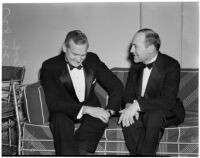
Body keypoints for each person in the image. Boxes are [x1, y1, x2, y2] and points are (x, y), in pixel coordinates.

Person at [40, 30, 123, 155]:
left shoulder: (92, 59)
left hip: (92, 110)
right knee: (59, 120)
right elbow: (54, 103)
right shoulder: (49, 66)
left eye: (83, 55)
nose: (79, 60)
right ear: (64, 48)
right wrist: (85, 109)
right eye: (74, 54)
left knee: (100, 118)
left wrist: (110, 110)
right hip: (64, 110)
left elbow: (116, 85)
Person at [118, 28, 185, 156]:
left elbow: (168, 101)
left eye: (135, 46)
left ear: (151, 48)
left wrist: (137, 105)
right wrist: (128, 107)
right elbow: (128, 94)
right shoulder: (136, 65)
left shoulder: (171, 65)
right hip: (141, 110)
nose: (131, 50)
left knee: (153, 116)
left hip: (167, 110)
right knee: (127, 119)